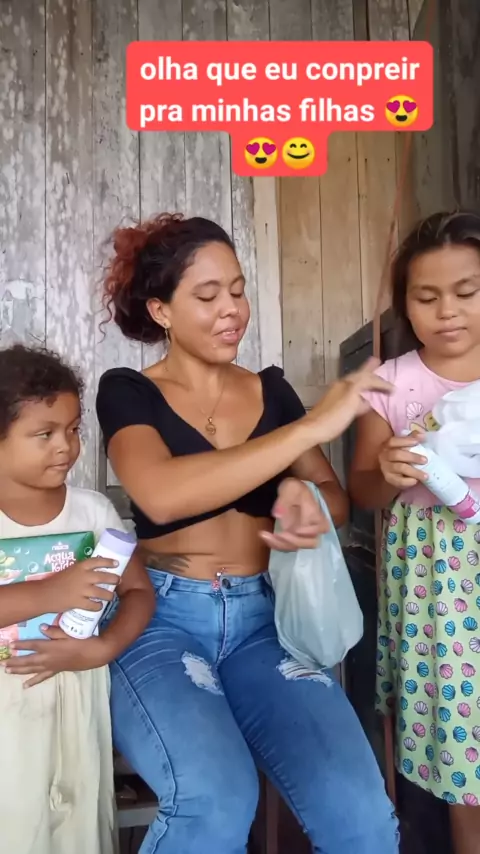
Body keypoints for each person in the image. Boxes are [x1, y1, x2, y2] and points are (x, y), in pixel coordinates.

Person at [95, 211, 399, 854]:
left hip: (266, 623)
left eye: (237, 290)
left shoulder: (270, 392)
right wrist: (310, 428)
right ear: (161, 310)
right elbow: (160, 492)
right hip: (160, 620)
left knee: (363, 815)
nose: (232, 309)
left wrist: (303, 499)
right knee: (216, 799)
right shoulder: (127, 393)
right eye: (207, 296)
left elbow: (334, 497)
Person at [349, 210, 480, 854]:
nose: (447, 311)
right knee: (462, 734)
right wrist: (386, 469)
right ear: (405, 303)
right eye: (427, 297)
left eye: (467, 292)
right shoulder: (393, 381)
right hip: (438, 580)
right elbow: (360, 490)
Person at [0, 344, 155, 854]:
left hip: (79, 706)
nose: (65, 446)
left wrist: (105, 648)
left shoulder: (92, 513)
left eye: (72, 429)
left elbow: (138, 591)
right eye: (44, 434)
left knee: (79, 830)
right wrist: (52, 591)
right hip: (8, 717)